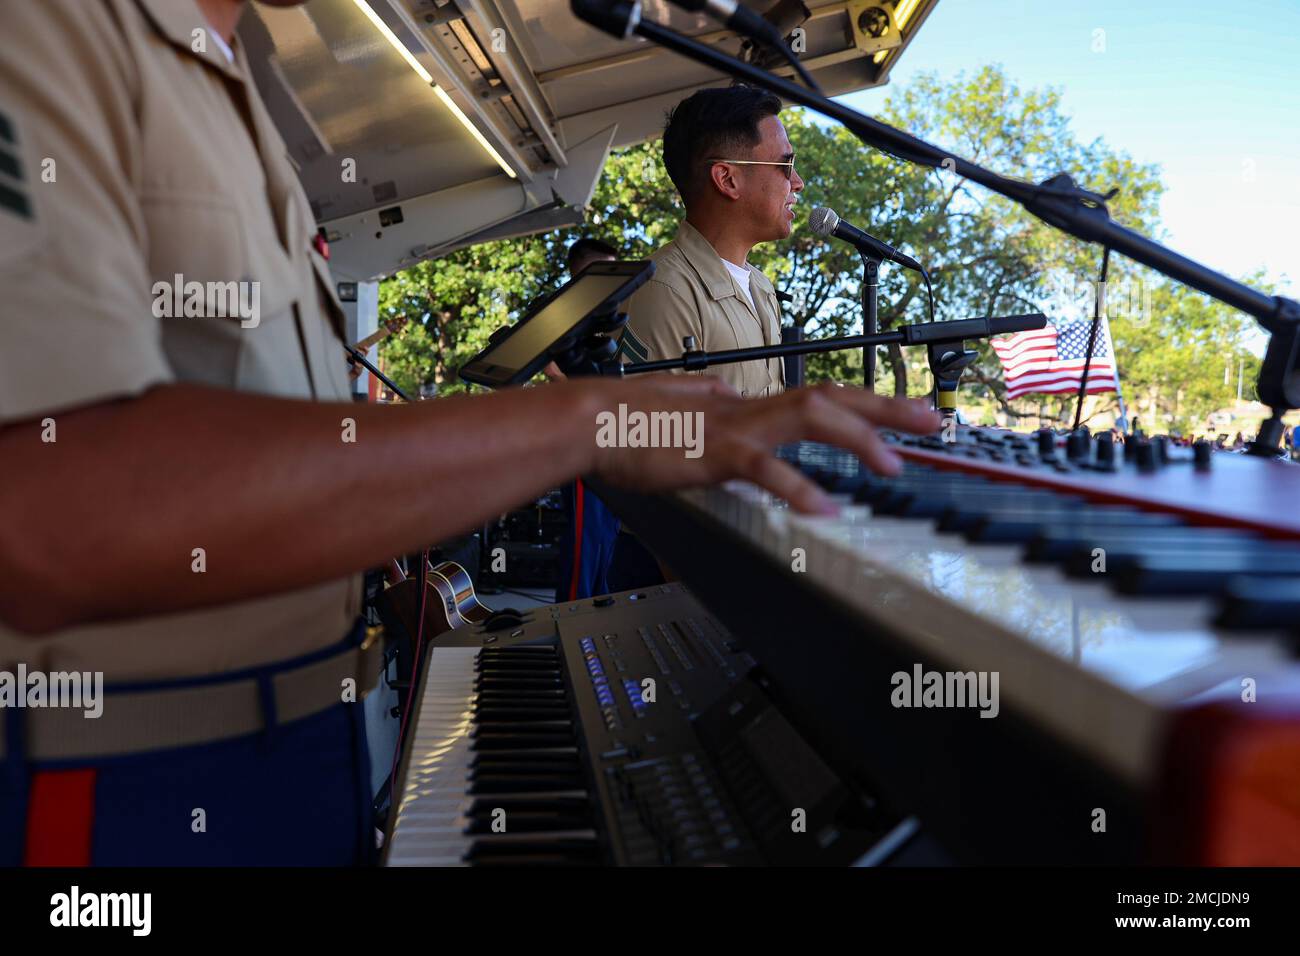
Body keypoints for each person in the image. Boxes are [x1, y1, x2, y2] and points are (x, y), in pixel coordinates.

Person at [0, 0, 938, 865]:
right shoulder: (51, 27)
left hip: (298, 738)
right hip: (129, 771)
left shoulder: (238, 78)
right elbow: (46, 516)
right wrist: (586, 417)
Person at [616, 85, 799, 398]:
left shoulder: (762, 287)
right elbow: (650, 435)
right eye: (786, 165)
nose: (797, 182)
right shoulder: (664, 288)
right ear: (727, 180)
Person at [548, 238, 622, 602]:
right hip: (581, 441)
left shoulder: (609, 317)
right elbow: (551, 371)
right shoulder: (560, 315)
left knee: (607, 540)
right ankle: (573, 627)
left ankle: (598, 626)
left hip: (614, 440)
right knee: (584, 545)